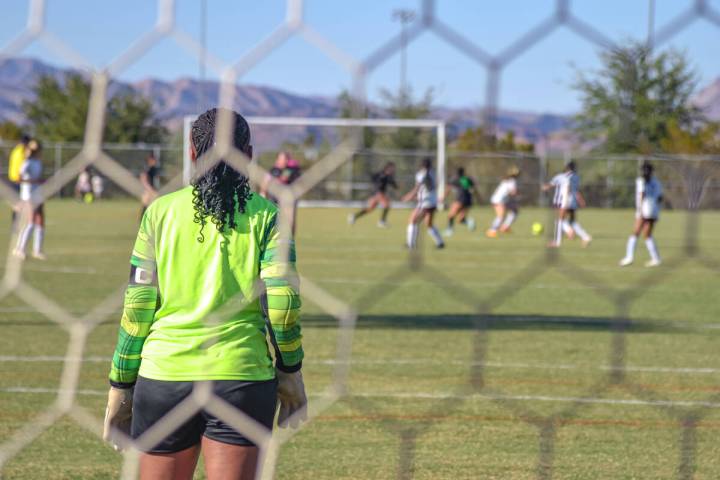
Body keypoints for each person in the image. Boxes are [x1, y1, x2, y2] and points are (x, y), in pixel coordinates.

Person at [102, 108, 307, 480]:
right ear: (249, 153)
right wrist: (290, 370)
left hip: (164, 379)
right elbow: (282, 306)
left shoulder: (159, 212)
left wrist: (121, 382)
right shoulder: (271, 215)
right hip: (241, 379)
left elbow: (138, 306)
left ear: (192, 153)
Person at [620, 162, 663, 267]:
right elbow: (660, 198)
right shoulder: (657, 182)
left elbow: (641, 195)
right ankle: (656, 258)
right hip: (653, 210)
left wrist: (640, 211)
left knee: (635, 233)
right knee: (647, 235)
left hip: (644, 209)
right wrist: (657, 212)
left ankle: (629, 257)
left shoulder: (641, 181)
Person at [543, 161, 592, 248]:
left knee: (559, 221)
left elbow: (548, 186)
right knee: (571, 221)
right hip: (573, 201)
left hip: (562, 201)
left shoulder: (560, 176)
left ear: (566, 168)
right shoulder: (576, 177)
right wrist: (581, 200)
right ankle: (586, 237)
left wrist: (544, 187)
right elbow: (576, 191)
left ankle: (558, 241)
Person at [13, 140, 46, 260]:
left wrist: (41, 181)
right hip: (28, 195)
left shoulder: (38, 162)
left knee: (40, 221)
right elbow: (19, 178)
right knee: (31, 221)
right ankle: (19, 249)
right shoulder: (27, 162)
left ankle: (37, 250)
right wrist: (35, 181)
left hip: (38, 194)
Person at [401, 158, 444, 249]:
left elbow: (417, 188)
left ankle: (410, 244)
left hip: (424, 203)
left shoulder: (421, 175)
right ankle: (440, 243)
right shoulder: (434, 173)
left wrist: (409, 196)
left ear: (421, 166)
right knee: (429, 224)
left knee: (412, 221)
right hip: (433, 202)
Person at [260, 151, 302, 233]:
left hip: (288, 199)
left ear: (287, 160)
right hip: (275, 199)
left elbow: (283, 179)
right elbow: (266, 181)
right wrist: (263, 192)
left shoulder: (290, 170)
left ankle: (290, 237)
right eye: (279, 159)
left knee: (290, 219)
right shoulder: (274, 170)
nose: (280, 161)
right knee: (274, 218)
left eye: (282, 159)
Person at [348, 162, 397, 227]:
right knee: (387, 205)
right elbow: (373, 178)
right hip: (378, 193)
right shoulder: (381, 174)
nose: (393, 170)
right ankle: (382, 221)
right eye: (392, 168)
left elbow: (394, 185)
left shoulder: (389, 176)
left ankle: (354, 216)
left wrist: (395, 184)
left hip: (377, 194)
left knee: (370, 209)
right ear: (388, 167)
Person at [444, 166, 480, 237]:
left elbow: (448, 188)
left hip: (460, 199)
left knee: (451, 216)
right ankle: (470, 222)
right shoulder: (468, 179)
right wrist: (478, 198)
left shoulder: (455, 179)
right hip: (468, 200)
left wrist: (443, 197)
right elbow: (474, 188)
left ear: (456, 173)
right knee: (460, 220)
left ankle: (449, 231)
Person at [486, 167, 520, 238]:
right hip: (498, 200)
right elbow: (513, 192)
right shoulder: (512, 181)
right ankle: (491, 231)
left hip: (502, 200)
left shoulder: (508, 180)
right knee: (501, 216)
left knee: (514, 211)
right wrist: (519, 193)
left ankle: (505, 227)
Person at [7, 134, 30, 227]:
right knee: (20, 203)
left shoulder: (15, 150)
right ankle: (16, 223)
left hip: (12, 179)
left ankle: (16, 223)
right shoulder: (21, 152)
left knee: (17, 203)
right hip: (18, 180)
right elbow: (22, 168)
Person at [140, 152, 160, 217]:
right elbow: (143, 179)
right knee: (146, 205)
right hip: (148, 190)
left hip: (152, 189)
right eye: (154, 160)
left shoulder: (153, 168)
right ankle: (143, 220)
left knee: (154, 205)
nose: (155, 161)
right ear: (150, 160)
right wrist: (149, 189)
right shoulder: (147, 168)